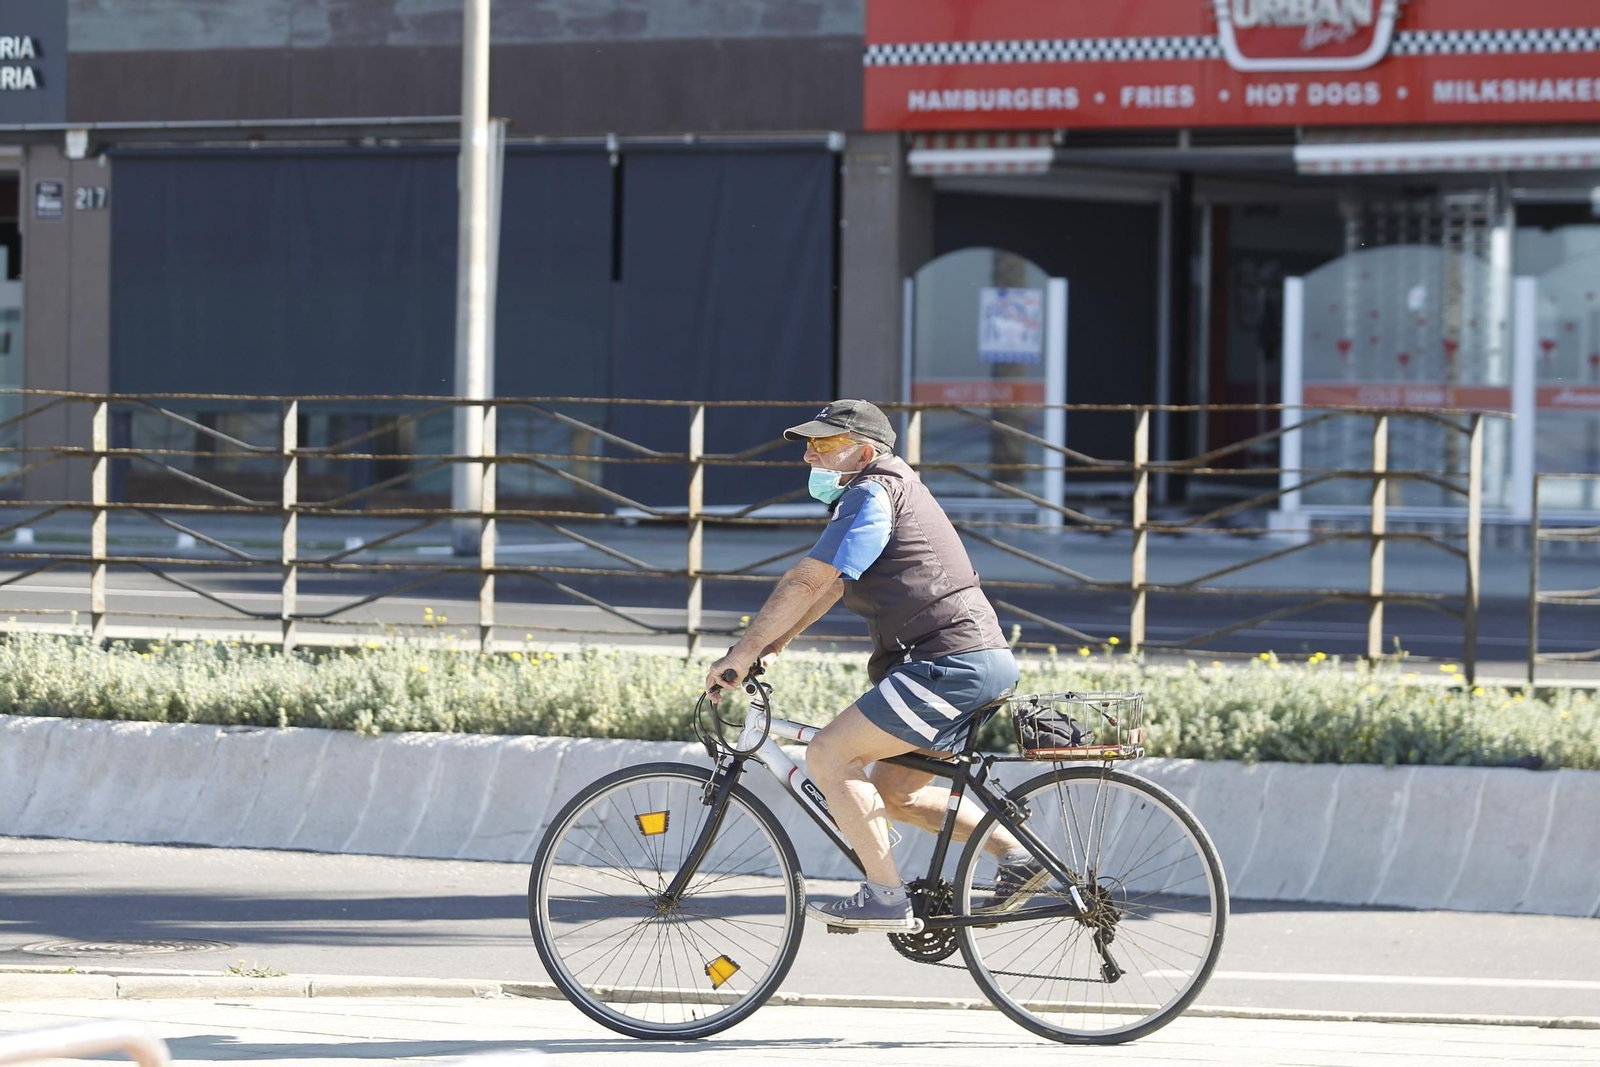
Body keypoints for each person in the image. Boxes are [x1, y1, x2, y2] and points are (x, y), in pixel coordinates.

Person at [706, 399, 1037, 932]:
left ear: (865, 449)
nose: (812, 455)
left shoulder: (872, 491)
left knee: (829, 754)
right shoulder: (884, 488)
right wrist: (776, 643)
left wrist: (740, 653)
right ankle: (1021, 860)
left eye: (827, 443)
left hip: (946, 663)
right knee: (893, 793)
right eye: (810, 444)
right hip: (973, 659)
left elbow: (807, 581)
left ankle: (886, 898)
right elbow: (835, 584)